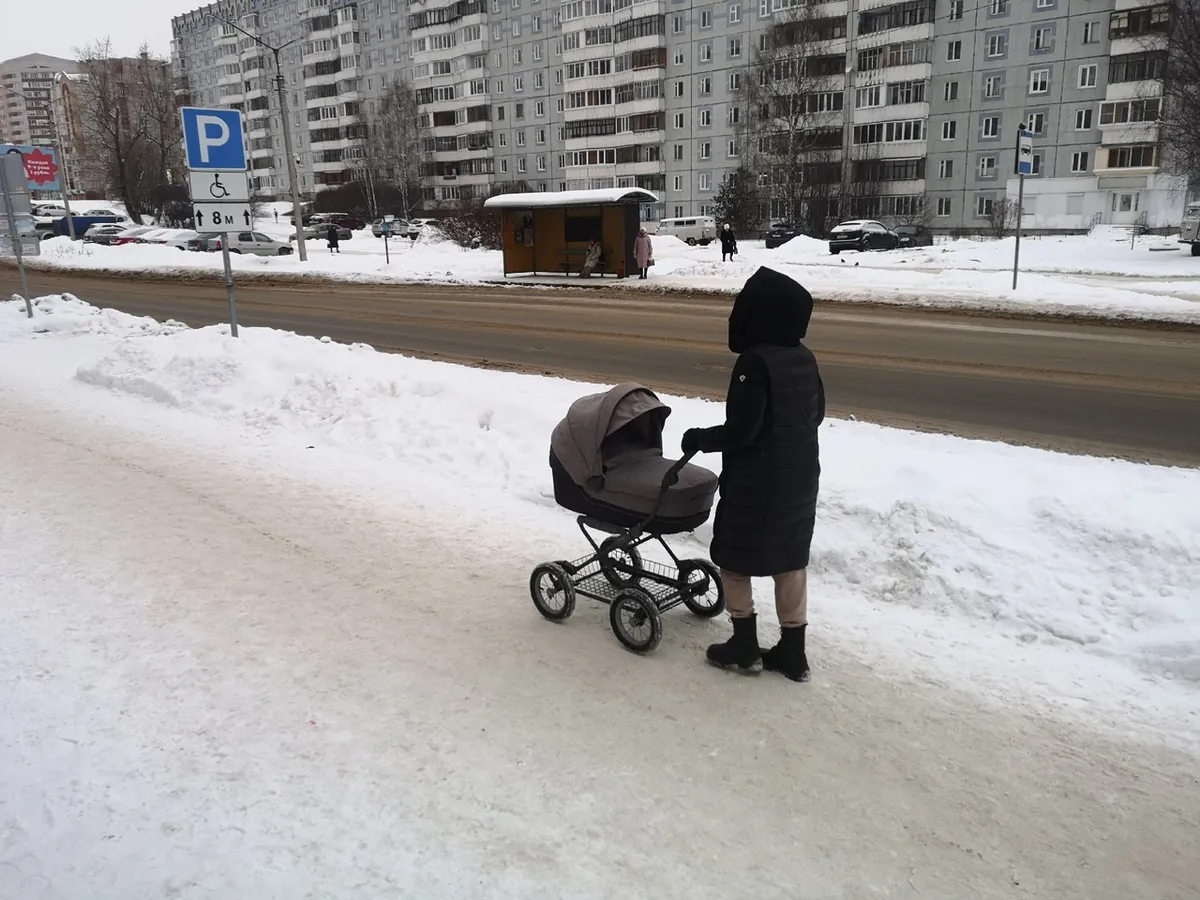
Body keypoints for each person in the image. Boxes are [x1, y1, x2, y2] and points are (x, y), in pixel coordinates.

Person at [681, 266, 824, 682]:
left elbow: (743, 431)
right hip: (799, 476)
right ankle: (793, 653)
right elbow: (816, 415)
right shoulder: (803, 357)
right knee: (789, 560)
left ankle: (744, 645)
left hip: (759, 482)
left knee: (734, 557)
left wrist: (699, 438)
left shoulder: (754, 362)